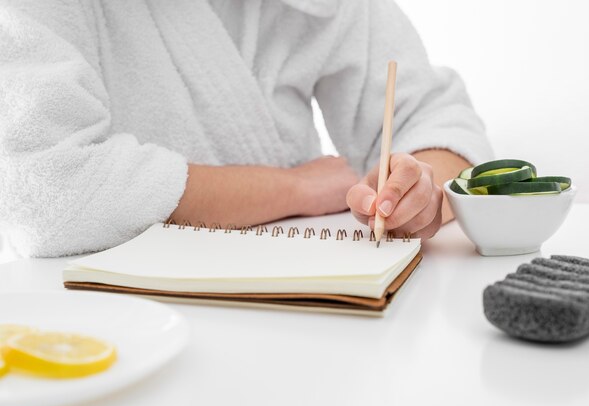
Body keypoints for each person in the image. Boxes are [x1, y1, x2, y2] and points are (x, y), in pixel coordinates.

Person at [0, 0, 493, 257]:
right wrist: (293, 188)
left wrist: (422, 189)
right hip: (102, 316)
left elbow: (435, 120)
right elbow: (44, 187)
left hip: (301, 300)